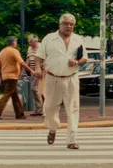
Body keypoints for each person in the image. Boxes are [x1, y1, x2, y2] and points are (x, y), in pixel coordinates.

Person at [35, 13, 87, 150]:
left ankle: (72, 140)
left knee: (73, 109)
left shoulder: (78, 40)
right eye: (66, 24)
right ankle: (52, 129)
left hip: (71, 78)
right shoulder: (49, 39)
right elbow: (39, 57)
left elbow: (84, 59)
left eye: (71, 24)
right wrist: (38, 70)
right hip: (53, 78)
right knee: (50, 108)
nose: (68, 26)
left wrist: (76, 62)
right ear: (60, 25)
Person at [0, 36, 35, 120]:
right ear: (13, 42)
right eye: (16, 42)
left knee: (15, 96)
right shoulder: (14, 51)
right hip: (12, 77)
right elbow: (22, 62)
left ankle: (20, 114)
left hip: (5, 76)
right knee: (7, 95)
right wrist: (31, 70)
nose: (16, 43)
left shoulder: (2, 52)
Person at [26, 34, 44, 116]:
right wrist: (25, 69)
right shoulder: (30, 48)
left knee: (35, 89)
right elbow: (28, 59)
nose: (29, 44)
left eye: (30, 42)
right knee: (35, 89)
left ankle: (40, 108)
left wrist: (41, 70)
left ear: (36, 41)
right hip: (33, 71)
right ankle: (39, 109)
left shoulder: (41, 47)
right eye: (28, 42)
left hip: (41, 71)